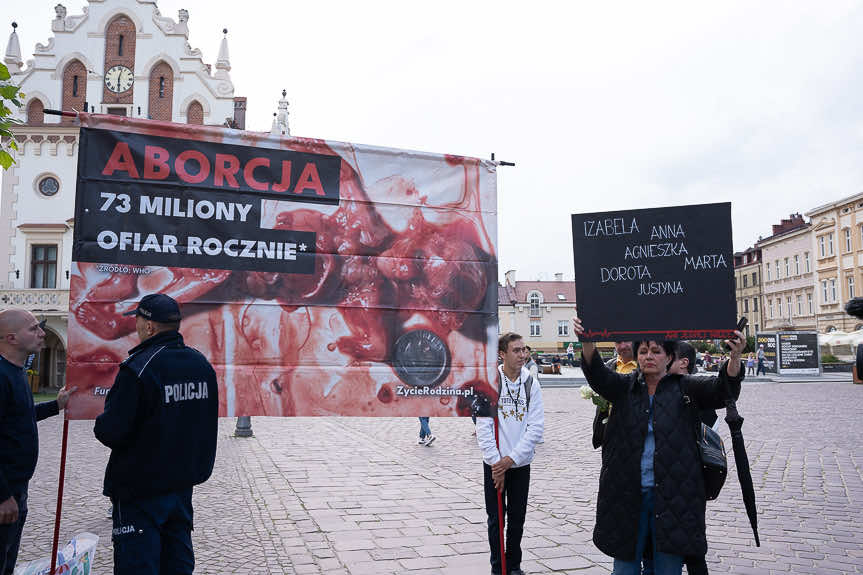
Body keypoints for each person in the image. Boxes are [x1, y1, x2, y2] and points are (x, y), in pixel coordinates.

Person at [573, 316, 744, 575]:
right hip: (627, 494)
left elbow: (722, 389)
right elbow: (598, 375)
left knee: (667, 568)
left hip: (673, 496)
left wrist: (734, 357)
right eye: (643, 351)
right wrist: (587, 343)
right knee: (624, 568)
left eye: (655, 351)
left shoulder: (685, 388)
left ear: (669, 357)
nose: (648, 356)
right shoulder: (625, 387)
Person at [94, 294, 218, 575]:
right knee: (177, 563)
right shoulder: (201, 364)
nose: (135, 327)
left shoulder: (138, 368)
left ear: (149, 326)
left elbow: (111, 431)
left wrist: (102, 420)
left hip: (140, 490)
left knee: (138, 565)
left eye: (137, 320)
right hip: (182, 486)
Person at [0, 310, 74, 575]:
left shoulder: (16, 372)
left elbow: (20, 417)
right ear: (11, 338)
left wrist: (56, 406)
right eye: (33, 329)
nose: (42, 333)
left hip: (17, 488)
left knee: (8, 559)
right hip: (5, 492)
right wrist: (3, 495)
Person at [477, 332, 544, 575]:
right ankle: (499, 567)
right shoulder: (490, 382)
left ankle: (513, 564)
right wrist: (497, 463)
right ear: (502, 354)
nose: (523, 355)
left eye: (524, 349)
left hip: (519, 464)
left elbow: (535, 427)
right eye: (516, 350)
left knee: (517, 518)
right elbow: (483, 427)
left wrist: (510, 460)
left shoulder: (530, 383)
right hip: (493, 465)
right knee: (496, 519)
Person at [592, 341, 637, 449]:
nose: (622, 346)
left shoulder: (645, 366)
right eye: (618, 342)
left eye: (627, 341)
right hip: (611, 432)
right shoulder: (609, 365)